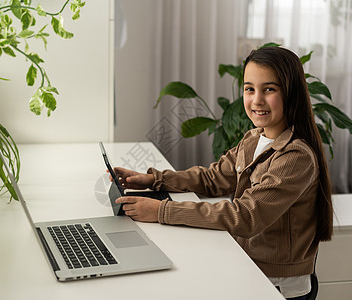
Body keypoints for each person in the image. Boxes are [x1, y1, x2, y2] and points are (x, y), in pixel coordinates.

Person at [113, 46, 333, 300]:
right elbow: (212, 178)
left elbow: (246, 216)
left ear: (291, 93)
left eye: (269, 89)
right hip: (248, 266)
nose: (257, 100)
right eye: (249, 89)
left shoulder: (296, 156)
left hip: (278, 286)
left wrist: (160, 211)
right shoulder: (254, 138)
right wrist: (154, 179)